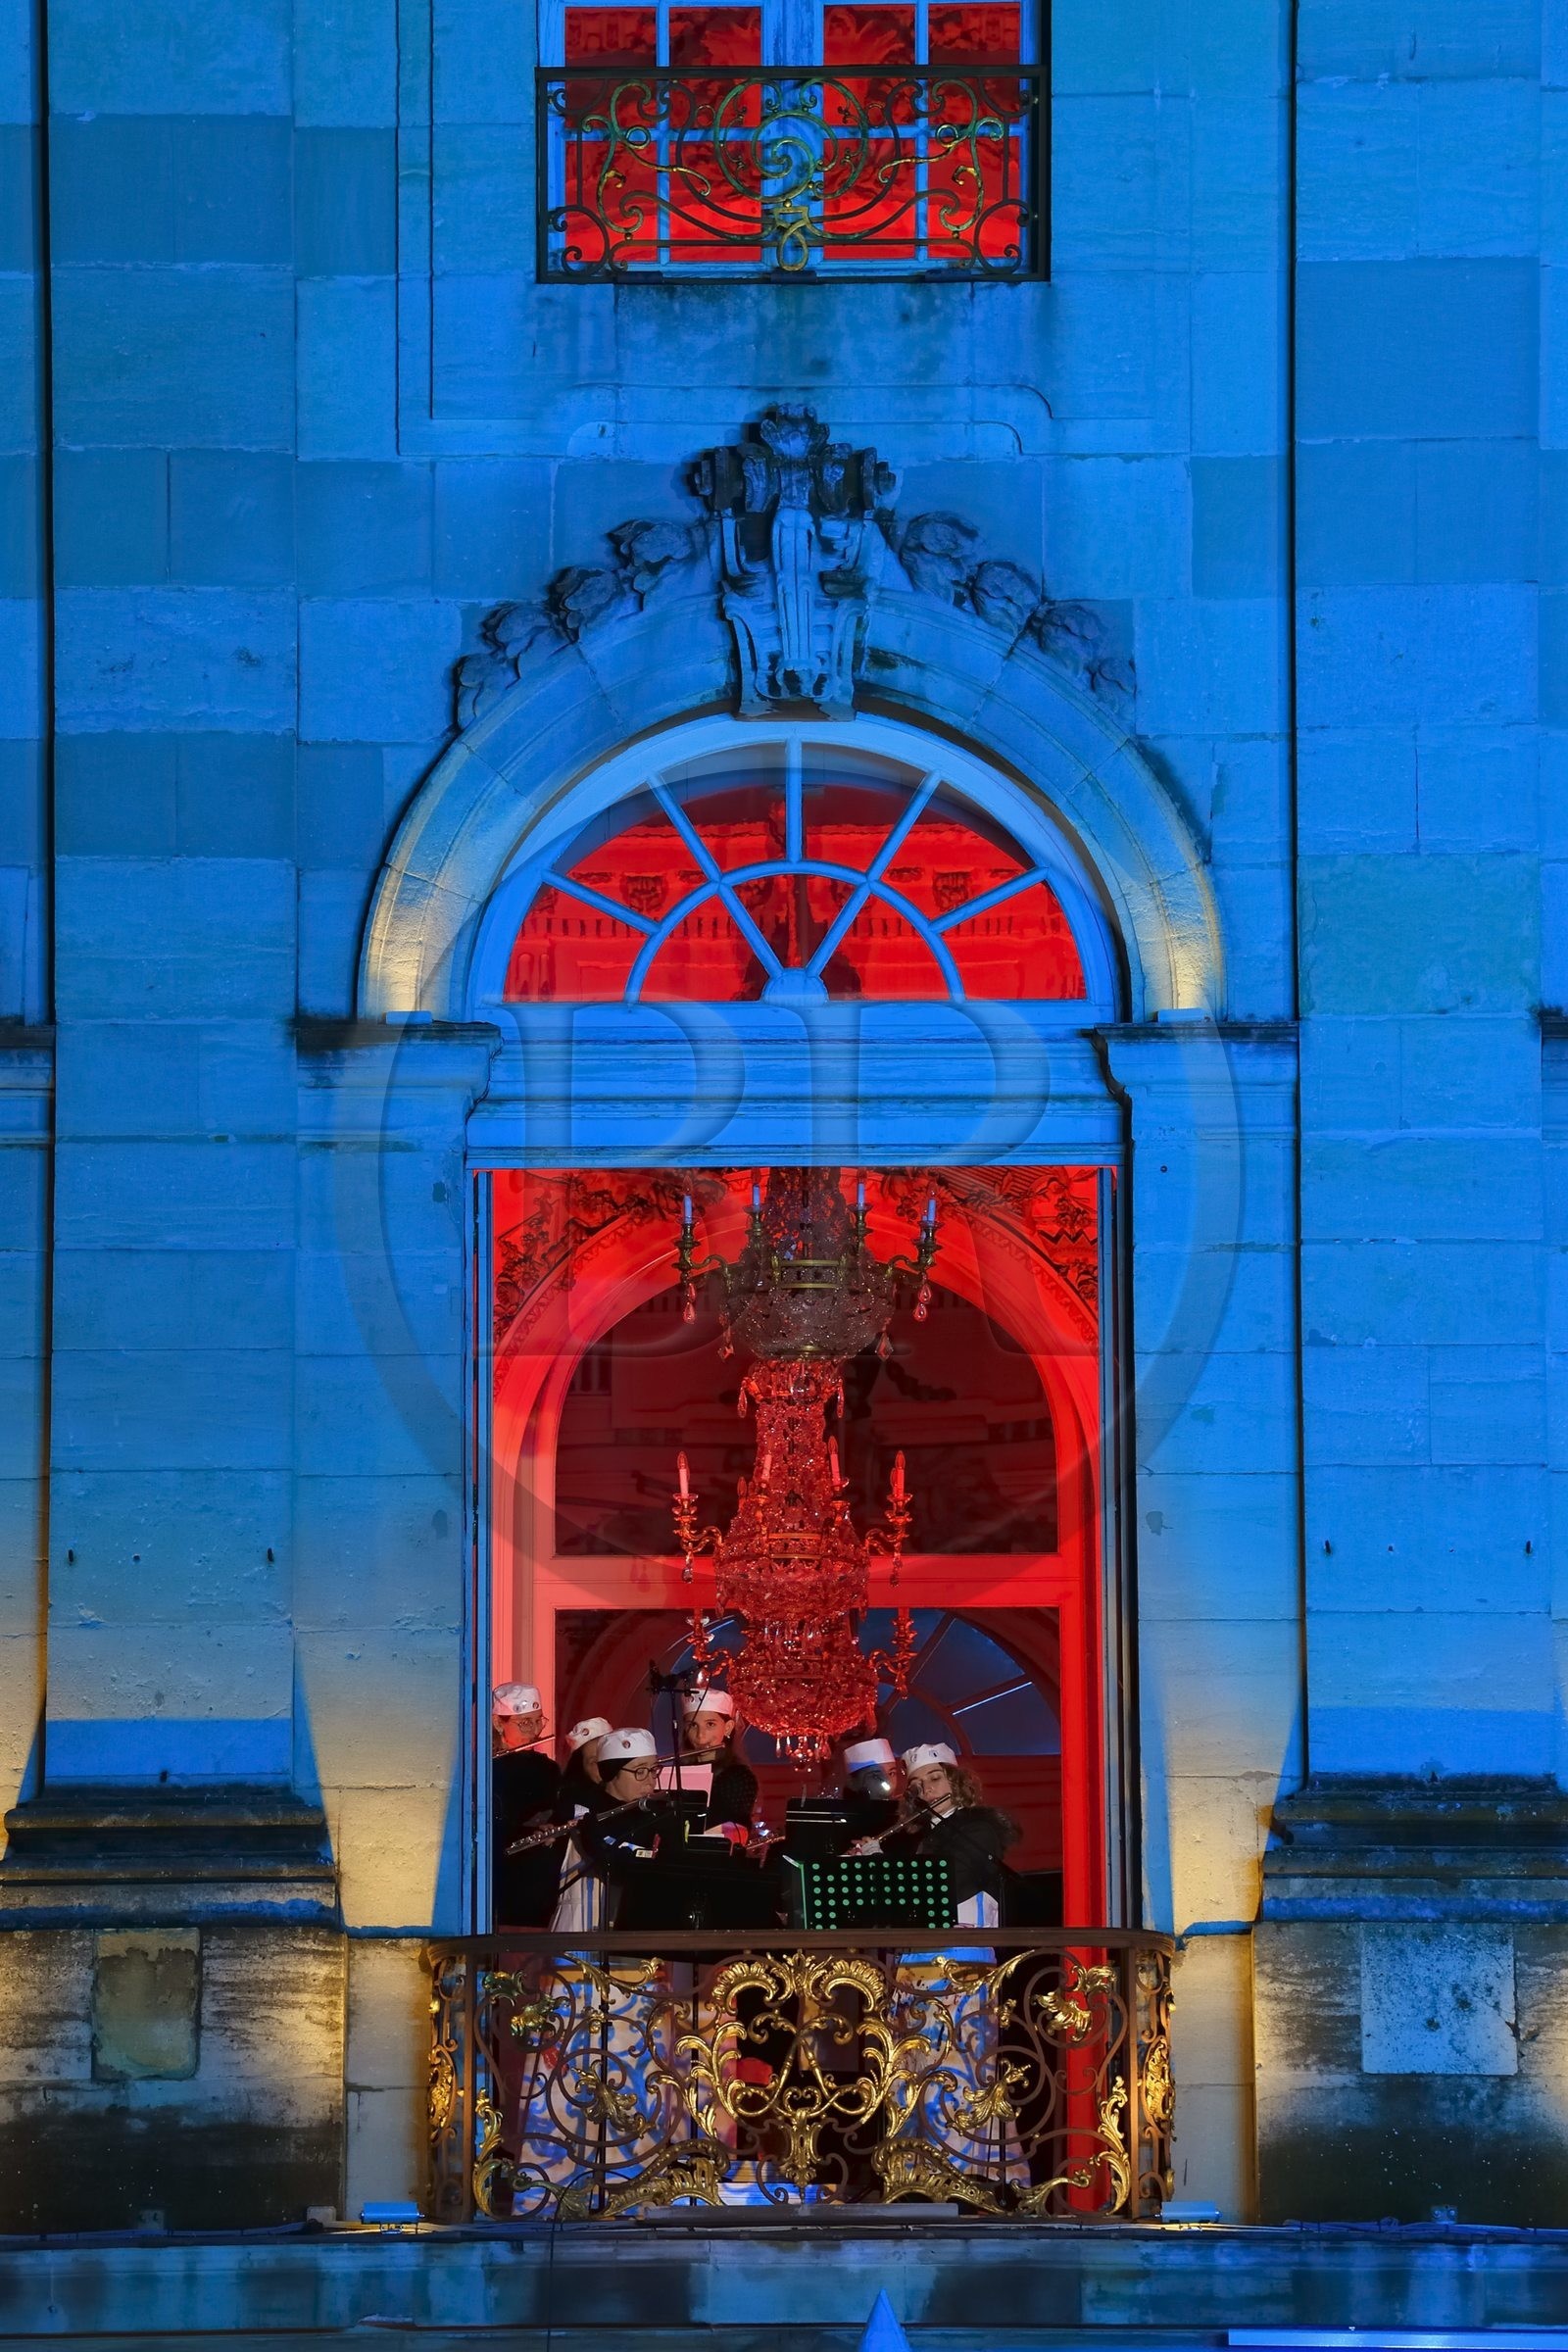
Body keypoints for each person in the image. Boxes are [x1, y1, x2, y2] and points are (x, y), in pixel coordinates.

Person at [897, 1742, 1018, 1929]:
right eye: (916, 1786)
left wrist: (880, 1863)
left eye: (935, 1778)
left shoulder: (978, 1830)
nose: (926, 1789)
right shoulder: (921, 1837)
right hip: (919, 1947)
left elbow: (943, 1888)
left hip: (963, 1948)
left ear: (956, 1782)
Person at [491, 1683, 563, 1928]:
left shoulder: (548, 1769)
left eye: (537, 1721)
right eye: (524, 1723)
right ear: (499, 1723)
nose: (534, 1730)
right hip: (505, 1875)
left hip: (541, 1873)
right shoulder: (487, 1770)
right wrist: (526, 1830)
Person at [679, 1689, 757, 1840]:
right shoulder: (674, 1774)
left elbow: (729, 1826)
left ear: (727, 1727)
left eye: (710, 1724)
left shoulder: (739, 1776)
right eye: (692, 1725)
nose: (700, 1736)